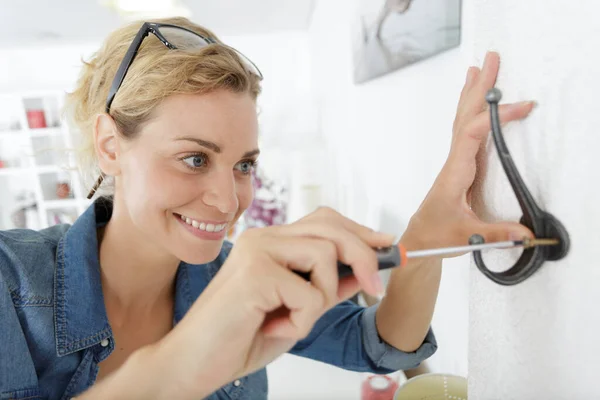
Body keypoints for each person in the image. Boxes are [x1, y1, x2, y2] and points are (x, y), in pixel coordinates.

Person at [0, 17, 535, 400]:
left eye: (244, 164)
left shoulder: (236, 277)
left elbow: (382, 344)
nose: (230, 201)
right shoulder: (10, 282)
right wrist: (183, 364)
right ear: (111, 146)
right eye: (193, 158)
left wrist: (425, 234)